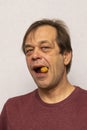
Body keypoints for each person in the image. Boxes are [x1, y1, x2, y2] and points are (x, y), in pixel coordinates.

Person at [0, 18, 87, 130]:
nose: (34, 55)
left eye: (45, 47)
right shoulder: (12, 109)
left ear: (66, 56)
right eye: (29, 50)